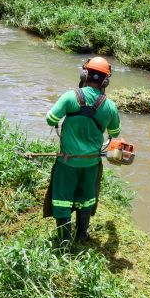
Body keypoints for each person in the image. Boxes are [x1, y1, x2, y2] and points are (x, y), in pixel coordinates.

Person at [43, 57, 121, 250]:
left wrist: (59, 121)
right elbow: (115, 134)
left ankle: (64, 241)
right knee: (87, 197)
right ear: (105, 81)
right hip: (91, 164)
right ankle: (82, 234)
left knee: (62, 198)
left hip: (67, 163)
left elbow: (50, 119)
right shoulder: (110, 106)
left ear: (84, 74)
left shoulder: (70, 97)